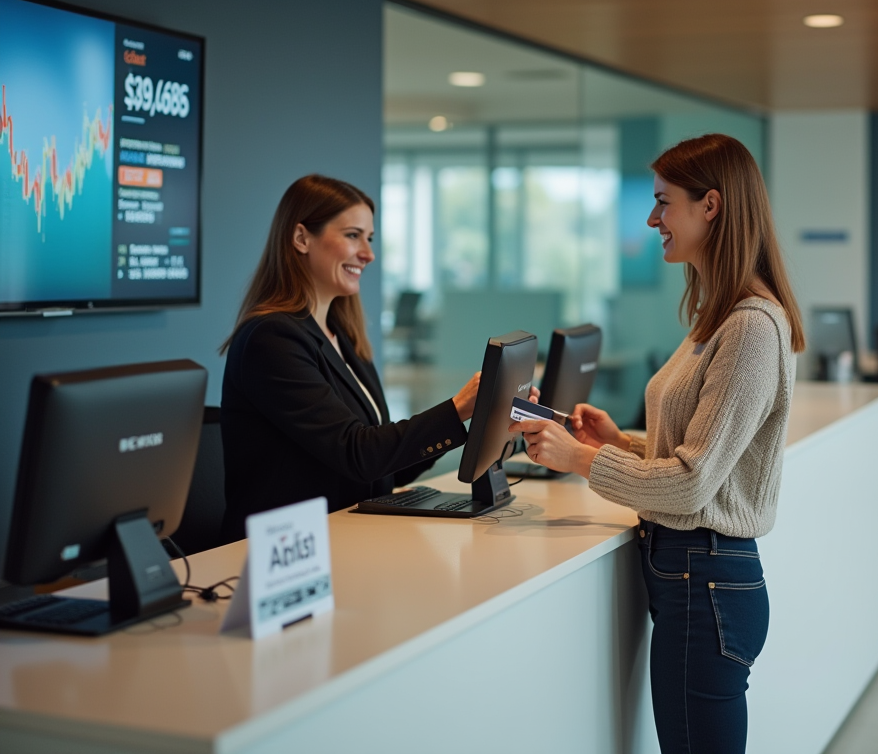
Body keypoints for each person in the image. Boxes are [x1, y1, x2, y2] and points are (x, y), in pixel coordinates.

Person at [510, 134, 805, 754]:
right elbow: (699, 456)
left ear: (711, 207)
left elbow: (696, 483)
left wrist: (582, 459)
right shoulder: (719, 317)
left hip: (707, 579)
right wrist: (621, 441)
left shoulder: (750, 325)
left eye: (663, 202)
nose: (652, 219)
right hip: (694, 576)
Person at [218, 174, 479, 542]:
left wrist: (473, 422)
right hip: (287, 555)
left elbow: (384, 469)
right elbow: (359, 453)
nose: (369, 254)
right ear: (301, 238)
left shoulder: (345, 337)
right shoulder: (272, 338)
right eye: (353, 235)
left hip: (347, 537)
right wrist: (457, 409)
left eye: (369, 239)